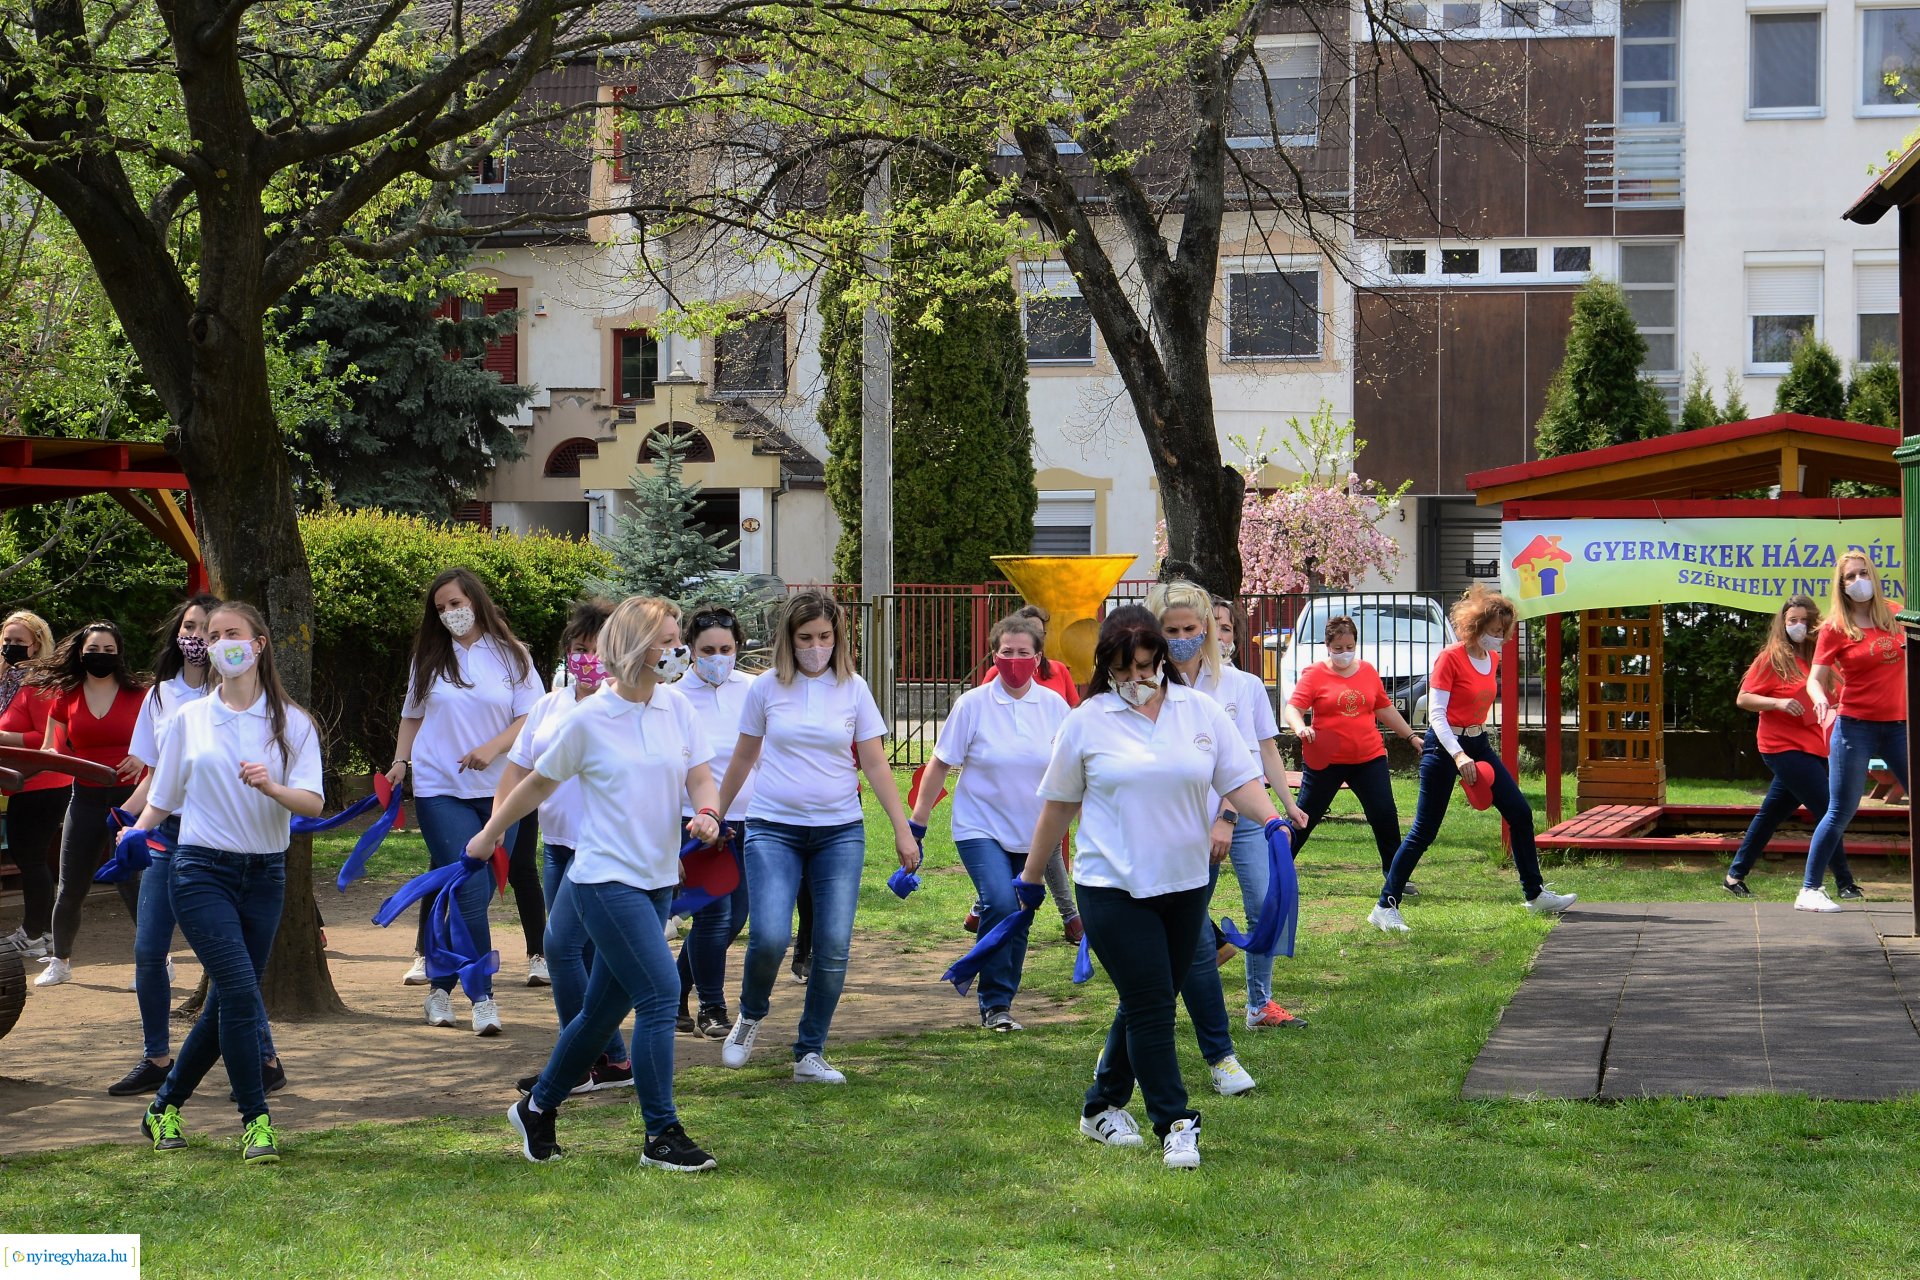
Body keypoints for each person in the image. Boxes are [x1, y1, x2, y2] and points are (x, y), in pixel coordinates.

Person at [1016, 605, 1286, 1170]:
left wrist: (1275, 821)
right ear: (1106, 668)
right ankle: (1176, 1122)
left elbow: (1238, 779)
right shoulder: (1087, 720)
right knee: (1152, 1005)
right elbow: (1059, 805)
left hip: (1186, 885)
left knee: (1147, 998)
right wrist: (1033, 875)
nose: (1135, 680)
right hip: (1111, 885)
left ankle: (1100, 1108)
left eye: (1143, 667)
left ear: (1160, 659)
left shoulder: (1201, 712)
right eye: (1122, 670)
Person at [476, 596, 722, 1170]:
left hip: (658, 878)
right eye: (666, 641)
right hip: (603, 880)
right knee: (661, 994)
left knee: (599, 1014)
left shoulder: (677, 709)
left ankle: (537, 1107)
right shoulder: (588, 719)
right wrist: (490, 834)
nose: (677, 651)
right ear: (634, 648)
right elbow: (536, 784)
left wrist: (709, 813)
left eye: (676, 639)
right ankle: (661, 1134)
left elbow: (701, 776)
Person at [132, 602, 325, 1165]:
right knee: (242, 992)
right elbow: (162, 798)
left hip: (265, 874)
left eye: (231, 633)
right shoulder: (190, 719)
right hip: (199, 871)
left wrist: (271, 788)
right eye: (212, 635)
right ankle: (255, 1121)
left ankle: (164, 1106)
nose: (219, 643)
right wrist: (130, 836)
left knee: (227, 1001)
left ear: (260, 643)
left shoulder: (294, 723)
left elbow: (311, 802)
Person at [712, 588, 921, 1083]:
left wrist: (902, 829)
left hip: (839, 832)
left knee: (832, 943)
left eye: (825, 636)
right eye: (805, 637)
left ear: (838, 638)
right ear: (789, 638)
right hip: (772, 828)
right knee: (768, 936)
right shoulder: (765, 688)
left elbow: (873, 760)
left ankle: (810, 1051)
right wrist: (714, 815)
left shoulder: (853, 688)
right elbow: (743, 756)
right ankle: (751, 1014)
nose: (815, 646)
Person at [107, 594, 283, 1097]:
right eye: (196, 630)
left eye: (219, 632)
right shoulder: (163, 697)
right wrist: (133, 824)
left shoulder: (253, 704)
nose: (205, 640)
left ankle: (262, 1059)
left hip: (223, 844)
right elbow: (158, 775)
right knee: (148, 950)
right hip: (170, 837)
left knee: (231, 968)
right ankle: (157, 1059)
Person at [1149, 582, 1305, 1079]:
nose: (1186, 638)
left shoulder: (1241, 686)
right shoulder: (1151, 684)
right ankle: (1162, 1003)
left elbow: (1257, 755)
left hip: (1235, 818)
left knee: (1265, 903)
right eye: (1172, 630)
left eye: (1196, 629)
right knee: (1183, 918)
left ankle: (1259, 1004)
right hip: (1183, 823)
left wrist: (1283, 806)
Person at [385, 568, 541, 1033]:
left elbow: (531, 716)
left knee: (464, 892)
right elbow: (411, 716)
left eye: (455, 603)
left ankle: (438, 988)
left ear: (475, 599)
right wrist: (400, 763)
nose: (450, 613)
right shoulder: (429, 657)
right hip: (440, 787)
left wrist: (493, 748)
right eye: (441, 608)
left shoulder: (513, 656)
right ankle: (484, 998)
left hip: (502, 791)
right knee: (470, 891)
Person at [1370, 586, 1577, 933]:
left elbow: (1477, 705)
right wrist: (1458, 754)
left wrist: (1472, 747)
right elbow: (1436, 715)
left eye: (1503, 632)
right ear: (1475, 624)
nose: (1499, 638)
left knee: (1520, 813)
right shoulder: (1449, 658)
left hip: (1477, 741)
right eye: (1494, 630)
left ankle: (1535, 893)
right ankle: (1385, 906)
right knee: (1424, 831)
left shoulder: (1492, 658)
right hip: (1444, 745)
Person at [911, 612, 1072, 1032]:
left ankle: (1001, 1002)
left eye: (1023, 653)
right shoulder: (973, 704)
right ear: (993, 655)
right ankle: (993, 1001)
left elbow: (1074, 770)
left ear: (1038, 658)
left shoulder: (1055, 706)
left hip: (1034, 832)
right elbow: (940, 764)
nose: (1014, 660)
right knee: (1000, 902)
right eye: (1006, 652)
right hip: (979, 825)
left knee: (1020, 910)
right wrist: (917, 823)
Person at [498, 598, 634, 1095]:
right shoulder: (548, 707)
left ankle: (578, 1061)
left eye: (598, 652)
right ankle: (608, 1060)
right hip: (557, 847)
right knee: (575, 953)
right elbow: (518, 772)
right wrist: (496, 825)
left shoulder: (624, 710)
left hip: (604, 853)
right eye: (579, 649)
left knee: (573, 951)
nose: (588, 660)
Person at [33, 622, 148, 986]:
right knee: (70, 886)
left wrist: (140, 758)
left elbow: (162, 747)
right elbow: (50, 747)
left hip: (131, 800)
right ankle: (60, 960)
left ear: (120, 654)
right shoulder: (65, 697)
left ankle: (155, 961)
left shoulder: (140, 695)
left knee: (133, 882)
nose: (100, 656)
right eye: (94, 650)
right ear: (81, 653)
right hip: (84, 799)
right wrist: (55, 757)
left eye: (109, 651)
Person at [1725, 596, 1861, 900]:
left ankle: (1735, 876)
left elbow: (1838, 696)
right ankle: (1845, 882)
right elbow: (1744, 698)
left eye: (1805, 620)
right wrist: (1778, 703)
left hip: (1815, 747)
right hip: (1781, 747)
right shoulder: (1772, 658)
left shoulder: (1823, 659)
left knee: (1771, 814)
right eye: (1792, 621)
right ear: (1783, 624)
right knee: (1829, 810)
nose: (1799, 626)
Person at [1798, 554, 1907, 913]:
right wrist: (1820, 702)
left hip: (1899, 726)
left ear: (1874, 576)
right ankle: (1809, 890)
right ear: (1841, 585)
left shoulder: (1897, 613)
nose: (1858, 580)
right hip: (1854, 727)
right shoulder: (1834, 627)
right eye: (1850, 577)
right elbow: (1815, 679)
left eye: (1863, 573)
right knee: (1841, 810)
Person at [969, 603, 1081, 943]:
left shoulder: (1059, 672)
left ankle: (982, 909)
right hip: (1009, 791)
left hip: (1048, 779)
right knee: (1039, 852)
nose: (1018, 656)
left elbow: (1073, 718)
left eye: (1035, 637)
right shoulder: (994, 678)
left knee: (1041, 850)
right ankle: (1071, 918)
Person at [1284, 613, 1422, 886]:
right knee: (1304, 816)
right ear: (1327, 646)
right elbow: (1293, 708)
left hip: (1368, 758)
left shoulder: (1368, 671)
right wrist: (1301, 727)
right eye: (1338, 649)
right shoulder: (1314, 674)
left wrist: (1410, 737)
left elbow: (1383, 708)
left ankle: (1395, 877)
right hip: (1325, 760)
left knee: (1384, 814)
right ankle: (1277, 867)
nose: (1344, 653)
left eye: (1349, 648)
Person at [674, 605, 757, 1039]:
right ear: (690, 649)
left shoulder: (755, 689)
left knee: (737, 916)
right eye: (708, 649)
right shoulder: (674, 697)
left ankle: (674, 990)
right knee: (712, 916)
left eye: (727, 648)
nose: (719, 657)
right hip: (698, 823)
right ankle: (712, 1006)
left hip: (751, 819)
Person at [0, 610, 65, 960]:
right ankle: (41, 931)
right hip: (20, 782)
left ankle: (38, 933)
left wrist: (3, 737)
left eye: (18, 642)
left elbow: (47, 738)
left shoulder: (41, 683)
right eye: (6, 641)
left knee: (31, 857)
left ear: (36, 644)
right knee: (28, 856)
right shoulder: (10, 680)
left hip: (44, 781)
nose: (10, 647)